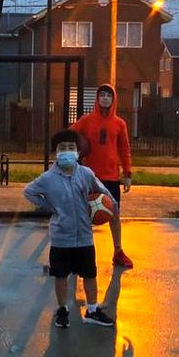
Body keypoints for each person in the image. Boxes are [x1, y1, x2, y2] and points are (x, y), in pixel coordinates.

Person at [23, 129, 116, 328]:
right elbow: (28, 191)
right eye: (62, 148)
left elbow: (102, 191)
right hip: (61, 236)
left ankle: (92, 310)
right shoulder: (48, 178)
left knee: (90, 274)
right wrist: (49, 206)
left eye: (71, 148)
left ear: (78, 151)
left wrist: (110, 205)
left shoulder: (86, 173)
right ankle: (62, 309)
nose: (67, 151)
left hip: (84, 235)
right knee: (60, 275)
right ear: (55, 152)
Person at [70, 84, 134, 268]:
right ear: (97, 99)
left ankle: (118, 251)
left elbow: (125, 149)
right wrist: (75, 155)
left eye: (109, 95)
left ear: (114, 99)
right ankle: (80, 251)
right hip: (89, 176)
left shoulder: (119, 123)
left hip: (111, 177)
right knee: (84, 214)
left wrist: (127, 173)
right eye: (102, 95)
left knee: (114, 213)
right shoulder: (87, 120)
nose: (105, 98)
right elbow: (70, 134)